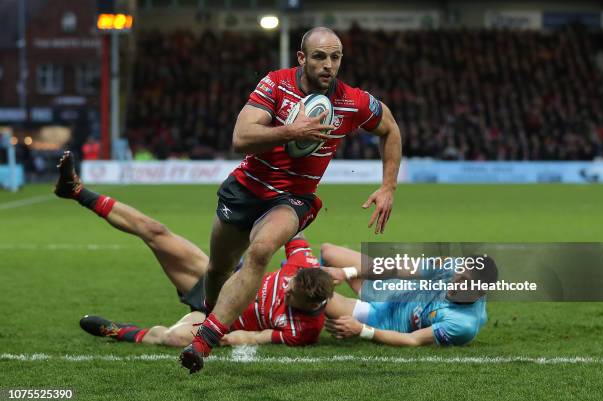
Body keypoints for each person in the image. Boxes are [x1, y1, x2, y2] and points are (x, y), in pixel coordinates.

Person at [181, 26, 402, 373]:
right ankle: (210, 311)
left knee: (261, 249)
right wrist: (291, 131)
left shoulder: (352, 101)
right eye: (319, 56)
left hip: (294, 198)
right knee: (218, 267)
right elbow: (240, 137)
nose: (328, 64)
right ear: (302, 58)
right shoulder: (275, 84)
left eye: (335, 57)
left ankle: (204, 340)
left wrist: (388, 186)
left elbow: (390, 128)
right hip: (247, 187)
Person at [54, 151, 334, 349]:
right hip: (216, 279)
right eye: (290, 283)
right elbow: (293, 227)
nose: (285, 288)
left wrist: (215, 334)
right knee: (155, 231)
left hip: (216, 319)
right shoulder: (303, 263)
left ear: (309, 304)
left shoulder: (304, 330)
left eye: (291, 293)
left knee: (174, 339)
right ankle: (76, 190)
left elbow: (247, 339)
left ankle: (118, 331)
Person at [320, 243, 497, 346]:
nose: (454, 281)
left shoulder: (463, 324)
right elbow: (398, 268)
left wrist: (362, 330)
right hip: (391, 288)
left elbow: (412, 340)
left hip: (381, 318)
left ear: (480, 291)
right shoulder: (453, 265)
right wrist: (348, 272)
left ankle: (303, 315)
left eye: (463, 281)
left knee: (318, 296)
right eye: (458, 275)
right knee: (328, 251)